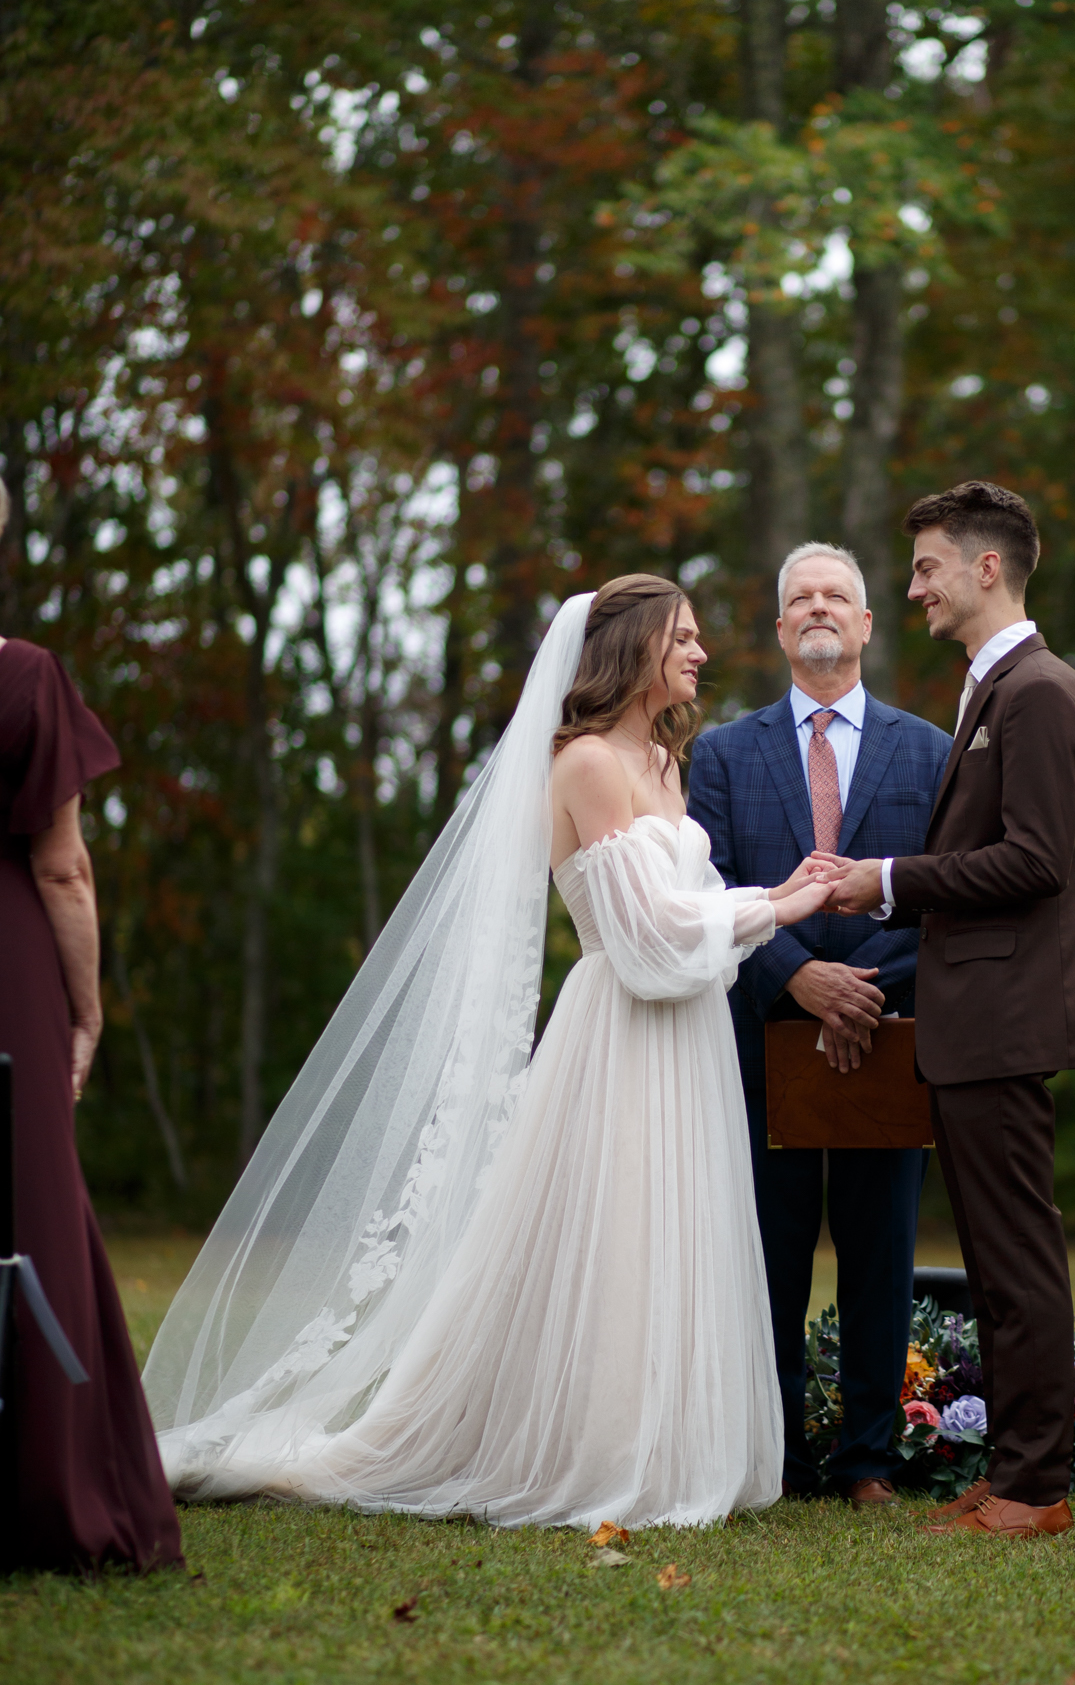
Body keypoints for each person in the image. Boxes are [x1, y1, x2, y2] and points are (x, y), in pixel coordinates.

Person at [146, 576, 831, 1528]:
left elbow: (688, 917)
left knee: (674, 1230)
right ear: (633, 647)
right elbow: (643, 942)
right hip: (621, 1031)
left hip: (688, 1037)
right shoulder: (586, 763)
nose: (700, 654)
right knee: (617, 1231)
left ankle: (668, 1441)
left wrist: (767, 900)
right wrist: (779, 907)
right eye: (681, 637)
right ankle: (596, 1449)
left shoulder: (664, 763)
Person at [820, 482, 1075, 1539]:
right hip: (977, 1020)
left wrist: (885, 881)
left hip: (1004, 1015)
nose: (914, 589)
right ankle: (1013, 1475)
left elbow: (1034, 860)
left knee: (1016, 1258)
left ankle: (1034, 1490)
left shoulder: (1039, 691)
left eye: (927, 567)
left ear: (986, 567)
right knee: (995, 1261)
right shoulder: (992, 688)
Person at [687, 544, 950, 1505]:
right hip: (762, 1036)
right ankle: (779, 1457)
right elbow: (708, 889)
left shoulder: (930, 751)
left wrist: (858, 992)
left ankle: (868, 1459)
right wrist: (799, 979)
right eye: (799, 598)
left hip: (887, 1036)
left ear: (867, 623)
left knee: (880, 1257)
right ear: (779, 629)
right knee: (769, 1254)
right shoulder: (723, 754)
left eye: (837, 594)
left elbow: (943, 893)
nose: (818, 607)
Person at [0, 483, 183, 1574]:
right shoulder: (23, 677)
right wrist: (88, 1007)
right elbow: (61, 866)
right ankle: (43, 1490)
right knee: (22, 1198)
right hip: (8, 964)